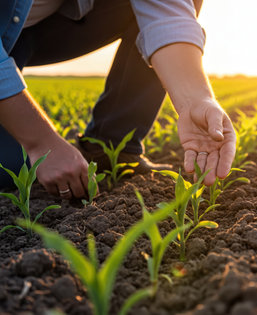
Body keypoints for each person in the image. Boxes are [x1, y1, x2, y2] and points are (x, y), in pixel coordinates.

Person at [0, 0, 236, 199]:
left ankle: (112, 148)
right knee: (10, 171)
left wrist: (195, 99)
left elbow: (167, 14)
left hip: (40, 28)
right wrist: (41, 143)